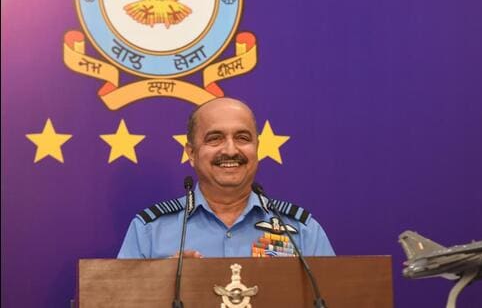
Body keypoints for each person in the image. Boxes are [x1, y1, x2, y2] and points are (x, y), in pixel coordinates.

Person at [118, 97, 335, 258]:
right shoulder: (148, 230)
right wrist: (159, 283)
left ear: (257, 149)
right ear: (191, 154)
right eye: (215, 139)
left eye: (242, 138)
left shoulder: (303, 231)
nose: (230, 150)